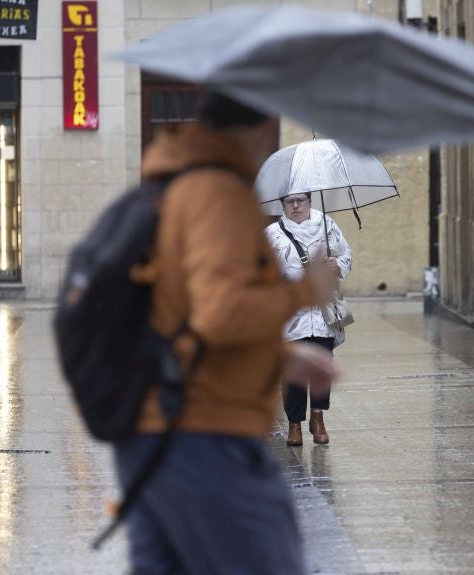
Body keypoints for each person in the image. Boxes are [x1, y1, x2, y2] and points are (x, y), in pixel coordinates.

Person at [114, 92, 341, 574]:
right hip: (204, 426)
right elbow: (219, 314)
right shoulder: (216, 202)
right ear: (256, 132)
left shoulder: (160, 190)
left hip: (148, 420)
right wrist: (302, 295)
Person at [266, 194, 353, 446]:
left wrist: (335, 264)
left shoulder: (327, 226)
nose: (295, 206)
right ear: (282, 205)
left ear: (310, 202)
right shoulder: (273, 234)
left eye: (300, 201)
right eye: (290, 202)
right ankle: (294, 424)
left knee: (321, 364)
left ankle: (318, 418)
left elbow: (347, 256)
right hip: (290, 313)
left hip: (323, 312)